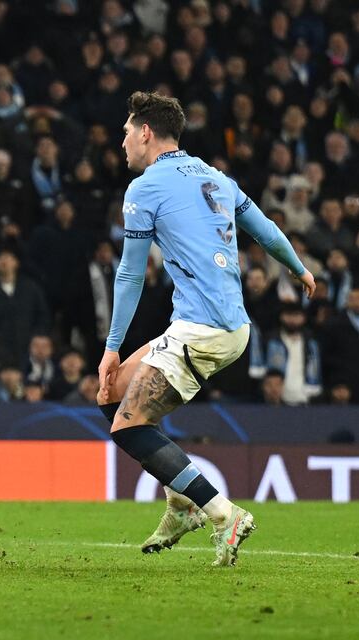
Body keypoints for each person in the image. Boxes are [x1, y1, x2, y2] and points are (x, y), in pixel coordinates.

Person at [97, 92, 316, 566]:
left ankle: (221, 513)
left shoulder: (145, 188)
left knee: (129, 427)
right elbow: (267, 230)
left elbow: (131, 275)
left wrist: (112, 345)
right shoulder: (215, 176)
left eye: (127, 132)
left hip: (203, 328)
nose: (123, 142)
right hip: (222, 324)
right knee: (113, 393)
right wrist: (299, 269)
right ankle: (179, 505)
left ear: (146, 133)